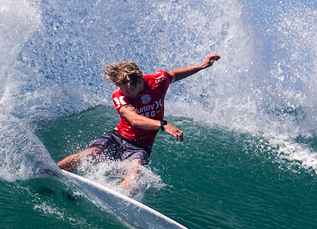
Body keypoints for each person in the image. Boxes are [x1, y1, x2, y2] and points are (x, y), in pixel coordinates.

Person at [57, 52, 221, 193]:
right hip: (117, 137)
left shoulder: (158, 80)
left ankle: (120, 201)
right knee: (89, 154)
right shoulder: (119, 96)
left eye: (128, 89)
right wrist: (163, 125)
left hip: (141, 146)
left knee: (135, 172)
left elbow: (174, 75)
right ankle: (52, 172)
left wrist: (202, 65)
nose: (124, 92)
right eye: (121, 88)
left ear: (139, 81)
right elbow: (134, 120)